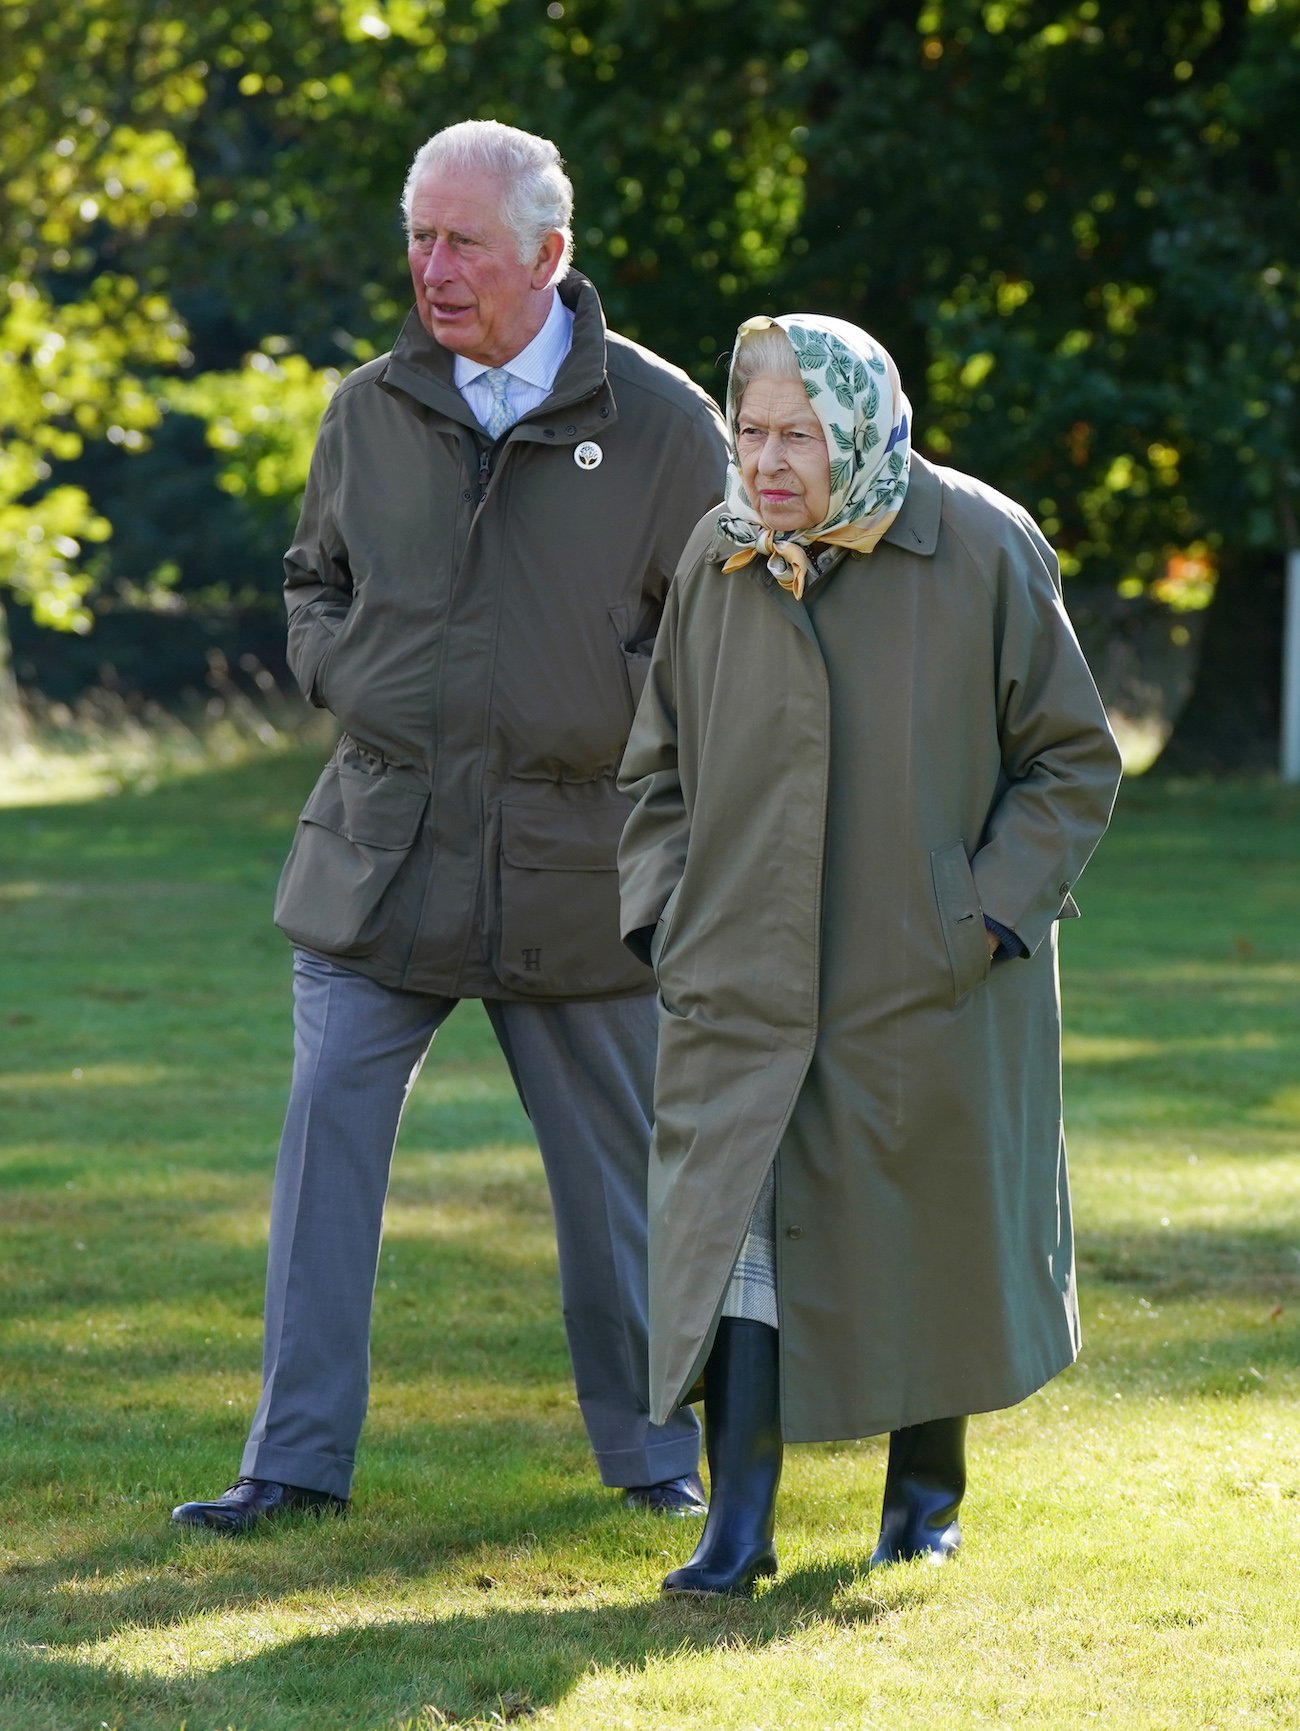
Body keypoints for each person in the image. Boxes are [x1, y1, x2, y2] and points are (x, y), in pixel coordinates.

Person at [172, 120, 728, 1533]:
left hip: (577, 867)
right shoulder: (368, 406)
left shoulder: (665, 425)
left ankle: (656, 1458)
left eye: (460, 240)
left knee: (619, 1193)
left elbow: (720, 643)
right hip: (381, 852)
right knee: (322, 1156)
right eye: (418, 236)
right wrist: (340, 668)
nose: (432, 267)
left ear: (549, 254)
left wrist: (618, 708)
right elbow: (315, 575)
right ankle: (291, 1463)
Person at [617, 312, 1123, 1595]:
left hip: (924, 971)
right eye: (752, 431)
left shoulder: (980, 544)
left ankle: (924, 1500)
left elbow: (1070, 761)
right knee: (736, 1229)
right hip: (737, 969)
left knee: (923, 1225)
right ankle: (735, 1526)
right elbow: (657, 764)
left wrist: (986, 919)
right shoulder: (719, 550)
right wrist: (664, 911)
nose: (770, 461)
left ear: (859, 425)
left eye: (799, 434)